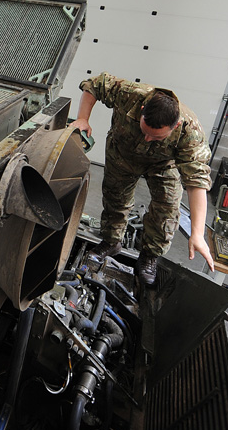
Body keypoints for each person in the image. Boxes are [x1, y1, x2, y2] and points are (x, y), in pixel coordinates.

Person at [70, 75, 215, 285]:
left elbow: (197, 183)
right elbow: (95, 84)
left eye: (156, 137)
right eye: (145, 131)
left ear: (174, 128)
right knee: (115, 199)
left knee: (166, 210)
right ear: (142, 111)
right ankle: (111, 241)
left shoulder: (191, 132)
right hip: (122, 154)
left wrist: (198, 233)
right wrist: (83, 118)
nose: (147, 139)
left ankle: (148, 257)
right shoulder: (129, 94)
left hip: (163, 165)